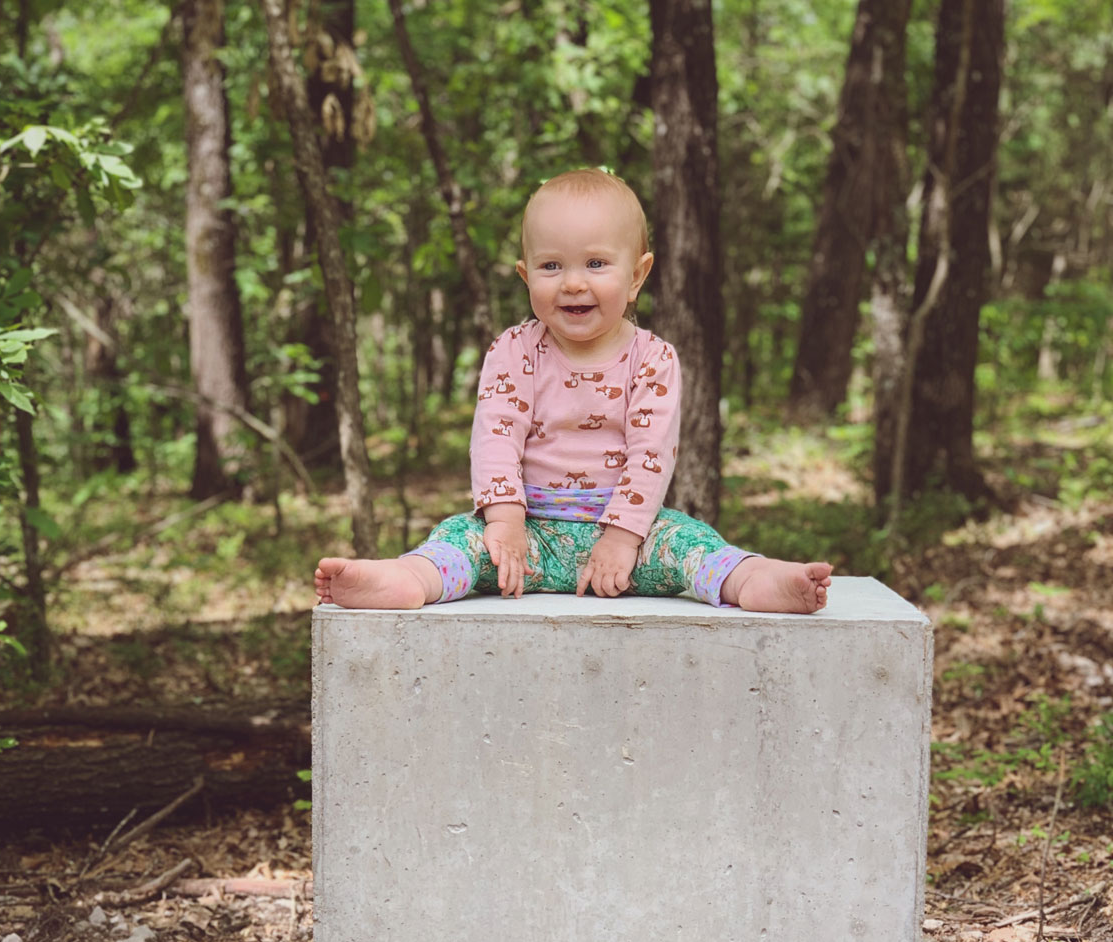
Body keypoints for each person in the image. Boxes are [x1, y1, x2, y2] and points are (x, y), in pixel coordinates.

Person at [314, 168, 831, 613]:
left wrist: (624, 538)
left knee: (691, 543)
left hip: (628, 539)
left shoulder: (653, 359)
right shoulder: (514, 350)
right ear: (525, 276)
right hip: (527, 535)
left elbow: (650, 456)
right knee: (456, 542)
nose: (574, 283)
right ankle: (405, 581)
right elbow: (495, 437)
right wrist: (505, 523)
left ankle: (757, 580)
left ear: (637, 275)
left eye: (597, 264)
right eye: (552, 266)